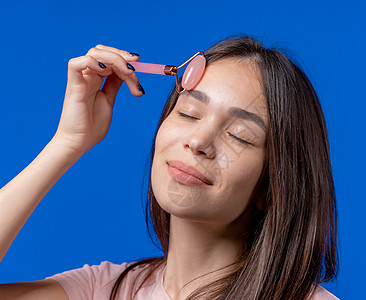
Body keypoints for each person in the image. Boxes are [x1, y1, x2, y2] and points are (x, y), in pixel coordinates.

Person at [0, 37, 338, 300]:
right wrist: (68, 143)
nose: (198, 141)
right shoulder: (103, 290)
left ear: (271, 185)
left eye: (239, 135)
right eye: (188, 113)